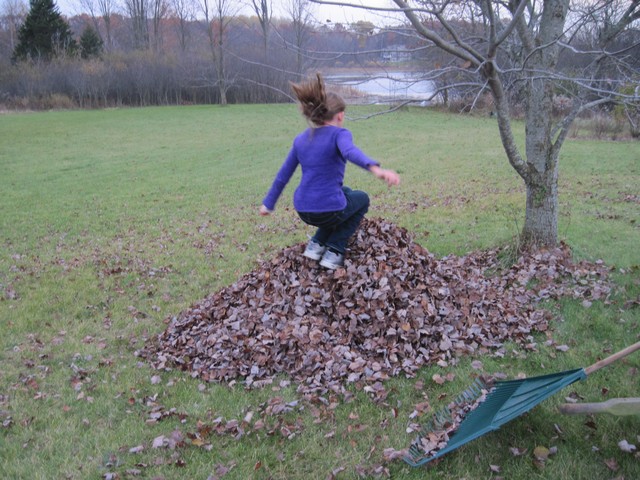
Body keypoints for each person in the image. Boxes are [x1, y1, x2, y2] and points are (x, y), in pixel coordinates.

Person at [259, 73, 400, 270]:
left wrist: (268, 204)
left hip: (303, 208)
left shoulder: (301, 139)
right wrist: (376, 169)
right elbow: (350, 151)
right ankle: (334, 250)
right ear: (340, 115)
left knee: (347, 193)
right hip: (327, 210)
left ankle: (316, 245)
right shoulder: (339, 134)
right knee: (362, 199)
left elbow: (283, 175)